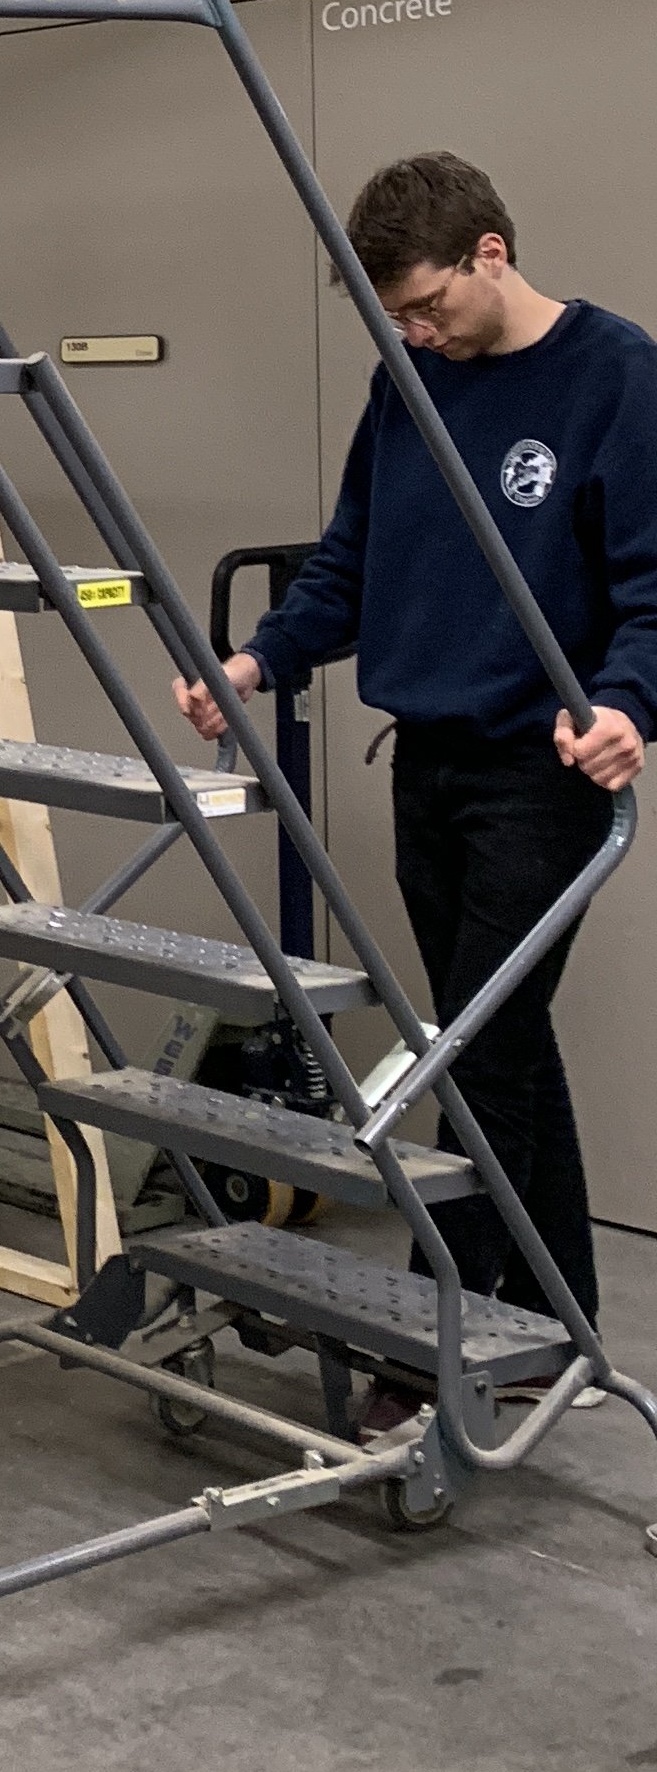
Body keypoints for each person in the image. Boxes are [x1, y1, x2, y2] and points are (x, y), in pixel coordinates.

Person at [175, 150, 657, 1400]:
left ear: (491, 253)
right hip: (427, 761)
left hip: (540, 772)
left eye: (429, 304)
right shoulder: (410, 385)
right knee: (499, 1041)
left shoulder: (616, 376)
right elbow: (353, 557)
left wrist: (630, 705)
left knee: (477, 1054)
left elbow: (654, 587)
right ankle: (555, 1320)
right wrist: (260, 659)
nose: (417, 332)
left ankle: (460, 1339)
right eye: (395, 317)